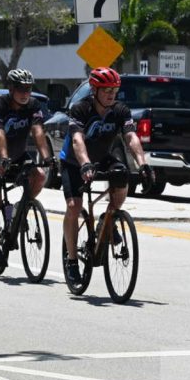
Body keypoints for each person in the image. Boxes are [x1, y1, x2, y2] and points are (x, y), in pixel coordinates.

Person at [60, 67, 153, 283]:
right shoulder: (80, 109)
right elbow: (77, 140)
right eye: (106, 90)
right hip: (74, 161)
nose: (111, 94)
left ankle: (107, 220)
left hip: (102, 157)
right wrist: (85, 164)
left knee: (122, 176)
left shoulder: (120, 110)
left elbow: (131, 137)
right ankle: (72, 260)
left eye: (114, 90)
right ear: (94, 90)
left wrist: (143, 165)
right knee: (74, 206)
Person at [0, 69, 54, 269]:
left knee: (39, 176)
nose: (25, 93)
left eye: (28, 89)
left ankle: (19, 210)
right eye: (21, 89)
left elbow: (38, 132)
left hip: (18, 154)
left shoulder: (33, 105)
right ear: (11, 89)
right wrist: (3, 158)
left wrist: (47, 157)